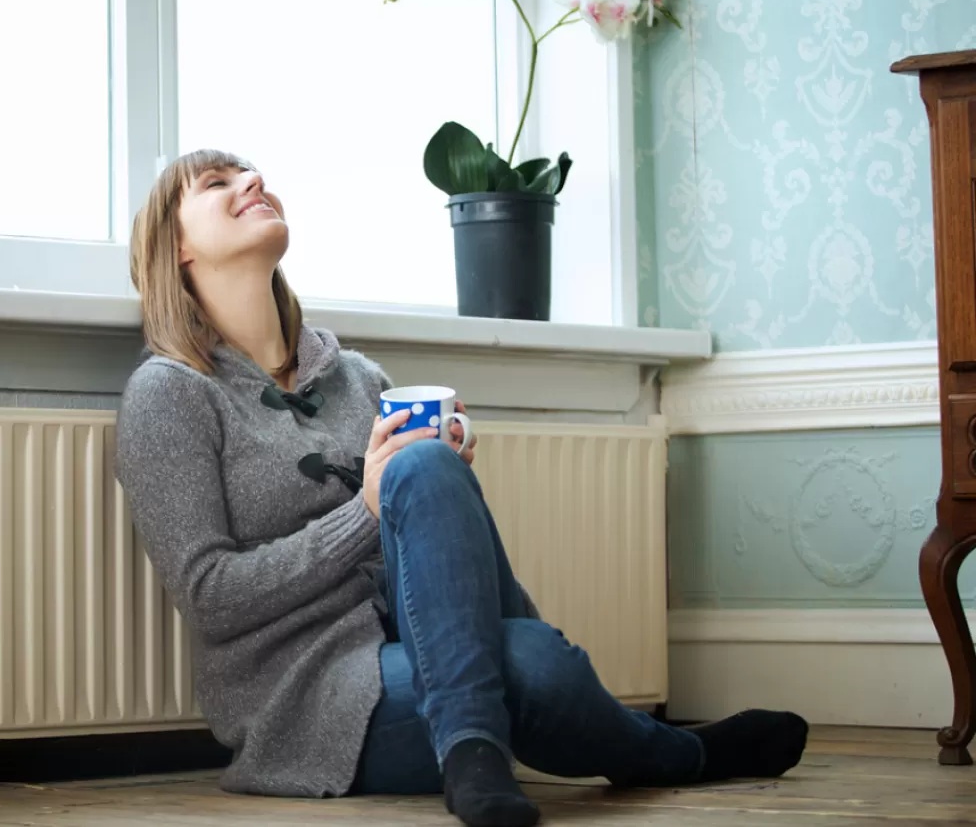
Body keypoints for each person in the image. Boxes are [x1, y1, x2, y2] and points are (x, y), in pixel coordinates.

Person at [113, 149, 809, 827]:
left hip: (434, 649)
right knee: (536, 664)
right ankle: (668, 752)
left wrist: (442, 480)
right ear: (175, 247)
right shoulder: (169, 394)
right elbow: (210, 597)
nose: (254, 180)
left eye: (252, 171)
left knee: (429, 476)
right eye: (216, 182)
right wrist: (365, 511)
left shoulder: (359, 379)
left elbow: (420, 536)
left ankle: (478, 753)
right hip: (311, 701)